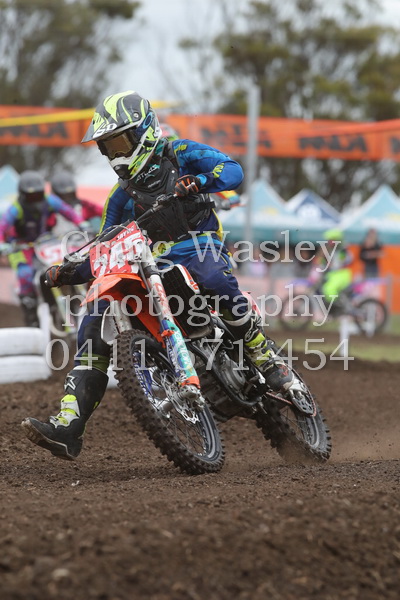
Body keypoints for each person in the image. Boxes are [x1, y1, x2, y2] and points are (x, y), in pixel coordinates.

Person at [22, 90, 295, 460]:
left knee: (212, 278)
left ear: (144, 131)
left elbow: (233, 171)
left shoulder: (180, 154)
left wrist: (199, 182)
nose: (116, 154)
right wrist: (68, 271)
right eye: (108, 147)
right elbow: (105, 246)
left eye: (120, 142)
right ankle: (70, 425)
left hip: (199, 245)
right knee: (95, 317)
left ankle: (263, 355)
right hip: (150, 264)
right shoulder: (120, 197)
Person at [0, 170, 83, 327]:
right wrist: (2, 243)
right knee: (25, 275)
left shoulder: (50, 200)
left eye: (38, 194)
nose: (35, 199)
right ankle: (31, 318)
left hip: (46, 243)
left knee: (64, 266)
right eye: (31, 196)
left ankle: (70, 302)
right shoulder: (15, 208)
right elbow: (2, 226)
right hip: (21, 247)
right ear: (23, 195)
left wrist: (81, 223)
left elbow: (68, 211)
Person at [311, 228, 353, 314]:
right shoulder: (331, 250)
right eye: (329, 240)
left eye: (331, 240)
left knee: (329, 289)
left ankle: (337, 307)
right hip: (333, 274)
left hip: (341, 274)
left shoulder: (343, 250)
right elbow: (324, 261)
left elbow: (340, 262)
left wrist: (328, 264)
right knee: (322, 286)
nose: (329, 242)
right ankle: (331, 307)